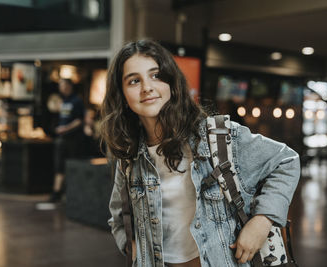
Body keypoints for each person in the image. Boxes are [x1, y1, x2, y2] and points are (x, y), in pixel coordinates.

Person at [100, 40, 300, 267]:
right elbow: (119, 218)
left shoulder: (218, 137)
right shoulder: (130, 156)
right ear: (123, 94)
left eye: (156, 75)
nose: (147, 87)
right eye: (134, 81)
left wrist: (263, 221)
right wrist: (134, 249)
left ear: (172, 83)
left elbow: (286, 161)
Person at [49, 78, 84, 203]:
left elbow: (79, 120)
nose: (61, 88)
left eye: (63, 85)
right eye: (60, 86)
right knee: (59, 165)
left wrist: (66, 128)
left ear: (69, 86)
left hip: (73, 139)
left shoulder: (77, 101)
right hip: (61, 139)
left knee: (71, 165)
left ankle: (70, 193)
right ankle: (56, 192)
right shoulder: (62, 101)